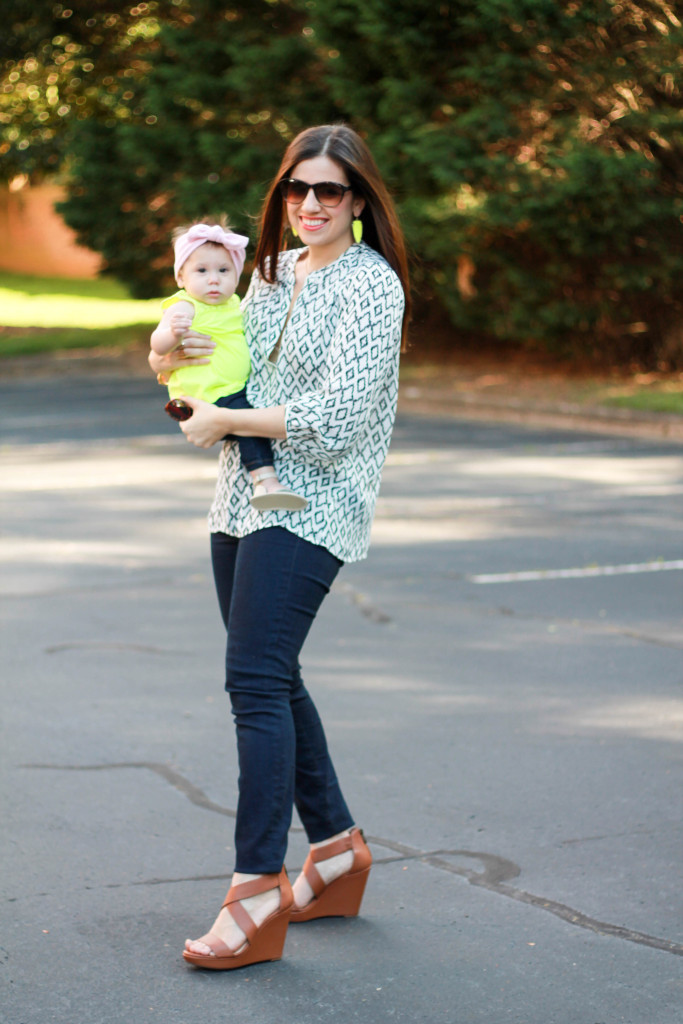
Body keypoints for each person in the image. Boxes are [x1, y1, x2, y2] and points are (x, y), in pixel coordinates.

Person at [149, 123, 411, 971]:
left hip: (315, 500)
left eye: (328, 191)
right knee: (273, 672)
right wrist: (167, 355)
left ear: (359, 200)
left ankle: (256, 888)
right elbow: (211, 360)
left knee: (253, 680)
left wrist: (225, 420)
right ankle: (334, 849)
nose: (309, 204)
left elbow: (332, 426)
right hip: (238, 496)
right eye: (296, 190)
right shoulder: (263, 276)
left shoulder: (373, 290)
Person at [151, 217, 306, 512]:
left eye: (224, 270)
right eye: (202, 270)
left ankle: (264, 480)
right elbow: (157, 345)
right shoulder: (184, 305)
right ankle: (266, 481)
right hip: (208, 391)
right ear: (181, 278)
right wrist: (173, 333)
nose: (213, 279)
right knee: (248, 423)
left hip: (229, 386)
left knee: (246, 420)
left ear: (236, 276)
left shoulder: (234, 303)